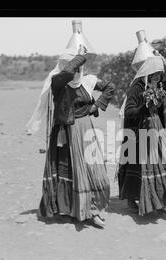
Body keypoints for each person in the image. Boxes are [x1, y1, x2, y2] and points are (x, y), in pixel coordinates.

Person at [26, 45, 115, 228]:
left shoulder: (88, 81)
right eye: (75, 66)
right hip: (66, 133)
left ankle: (92, 209)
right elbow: (67, 73)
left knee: (93, 169)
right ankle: (80, 210)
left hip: (86, 130)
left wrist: (96, 106)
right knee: (73, 171)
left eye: (80, 67)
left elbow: (110, 87)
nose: (77, 71)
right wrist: (80, 57)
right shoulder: (58, 83)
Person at [117, 52, 166, 216]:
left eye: (159, 74)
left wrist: (165, 63)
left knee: (162, 163)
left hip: (156, 128)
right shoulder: (136, 88)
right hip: (138, 132)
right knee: (137, 166)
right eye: (154, 74)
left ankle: (161, 201)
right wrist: (145, 107)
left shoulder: (159, 86)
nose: (158, 78)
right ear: (147, 73)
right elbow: (129, 111)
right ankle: (132, 199)